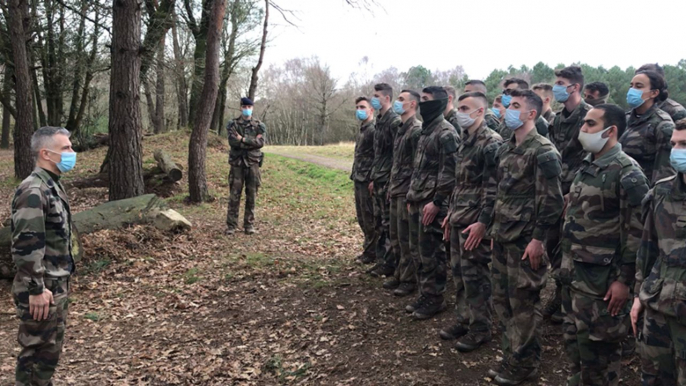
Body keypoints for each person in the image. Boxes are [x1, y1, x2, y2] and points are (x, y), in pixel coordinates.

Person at [560, 104, 649, 385]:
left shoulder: (627, 173)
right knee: (576, 341)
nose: (582, 129)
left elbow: (637, 232)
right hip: (576, 273)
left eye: (589, 124)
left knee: (601, 349)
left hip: (602, 281)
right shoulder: (588, 164)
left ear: (610, 131)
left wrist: (624, 280)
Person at [488, 89, 563, 385]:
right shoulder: (507, 148)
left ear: (532, 113)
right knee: (503, 302)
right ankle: (512, 356)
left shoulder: (543, 151)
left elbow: (553, 202)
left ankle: (526, 364)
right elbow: (501, 196)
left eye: (516, 106)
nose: (509, 110)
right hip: (503, 238)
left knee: (524, 306)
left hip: (526, 242)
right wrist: (495, 230)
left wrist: (538, 240)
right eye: (509, 105)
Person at [12, 126, 77, 386]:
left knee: (47, 357)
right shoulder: (34, 190)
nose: (72, 152)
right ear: (46, 153)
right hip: (42, 290)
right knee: (37, 356)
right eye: (66, 148)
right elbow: (27, 245)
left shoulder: (52, 186)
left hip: (54, 286)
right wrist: (36, 289)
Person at [439, 92, 502, 352]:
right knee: (460, 274)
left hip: (475, 223)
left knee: (476, 276)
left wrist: (484, 223)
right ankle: (465, 319)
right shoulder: (465, 140)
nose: (460, 112)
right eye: (460, 107)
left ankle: (481, 327)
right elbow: (460, 184)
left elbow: (494, 189)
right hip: (459, 218)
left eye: (465, 108)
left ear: (480, 112)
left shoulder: (491, 143)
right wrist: (450, 214)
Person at [631, 118, 686, 385]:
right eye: (674, 143)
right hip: (658, 305)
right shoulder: (662, 191)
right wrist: (639, 296)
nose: (677, 150)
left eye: (684, 144)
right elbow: (648, 248)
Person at [405, 86, 459, 320]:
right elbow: (418, 169)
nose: (422, 103)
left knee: (432, 253)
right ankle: (426, 293)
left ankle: (435, 297)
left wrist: (437, 202)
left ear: (438, 103)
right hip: (419, 200)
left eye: (426, 100)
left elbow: (449, 173)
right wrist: (411, 196)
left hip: (433, 204)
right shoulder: (426, 131)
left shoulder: (446, 132)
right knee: (419, 251)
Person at [544, 65, 593, 324]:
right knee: (552, 244)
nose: (556, 87)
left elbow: (592, 156)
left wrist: (572, 191)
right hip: (555, 191)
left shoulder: (589, 116)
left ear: (575, 87)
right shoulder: (558, 119)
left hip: (577, 194)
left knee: (572, 249)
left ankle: (571, 302)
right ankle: (560, 293)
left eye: (561, 83)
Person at [385, 90, 422, 296]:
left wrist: (411, 193)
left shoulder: (416, 130)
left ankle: (409, 279)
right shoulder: (401, 129)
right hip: (396, 189)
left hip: (406, 192)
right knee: (396, 236)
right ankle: (400, 273)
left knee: (407, 238)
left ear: (412, 104)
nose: (398, 103)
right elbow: (397, 163)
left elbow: (417, 167)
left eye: (401, 100)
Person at [368, 83, 402, 277]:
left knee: (389, 224)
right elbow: (378, 154)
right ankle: (382, 260)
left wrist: (391, 181)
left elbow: (397, 156)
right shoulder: (379, 121)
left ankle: (391, 264)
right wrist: (374, 177)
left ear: (387, 98)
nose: (373, 99)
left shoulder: (394, 122)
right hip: (378, 179)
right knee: (380, 222)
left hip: (388, 181)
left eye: (376, 96)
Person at [619, 70, 675, 185]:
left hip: (643, 192)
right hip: (618, 190)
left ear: (653, 93)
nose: (632, 90)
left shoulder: (663, 124)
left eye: (638, 86)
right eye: (631, 86)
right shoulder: (626, 118)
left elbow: (665, 172)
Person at [226, 97, 266, 235]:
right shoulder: (233, 124)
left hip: (253, 164)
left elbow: (260, 143)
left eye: (249, 107)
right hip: (237, 163)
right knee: (234, 195)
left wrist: (242, 139)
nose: (247, 110)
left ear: (252, 108)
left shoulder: (258, 125)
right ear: (240, 107)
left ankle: (249, 225)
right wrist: (250, 142)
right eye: (244, 107)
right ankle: (231, 226)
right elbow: (233, 142)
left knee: (252, 195)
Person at [351, 96, 378, 265]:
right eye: (357, 107)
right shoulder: (363, 129)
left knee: (369, 218)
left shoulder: (373, 130)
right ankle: (369, 250)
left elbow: (379, 156)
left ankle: (372, 252)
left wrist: (374, 178)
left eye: (362, 107)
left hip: (368, 179)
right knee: (362, 217)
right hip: (359, 178)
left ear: (371, 110)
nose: (359, 110)